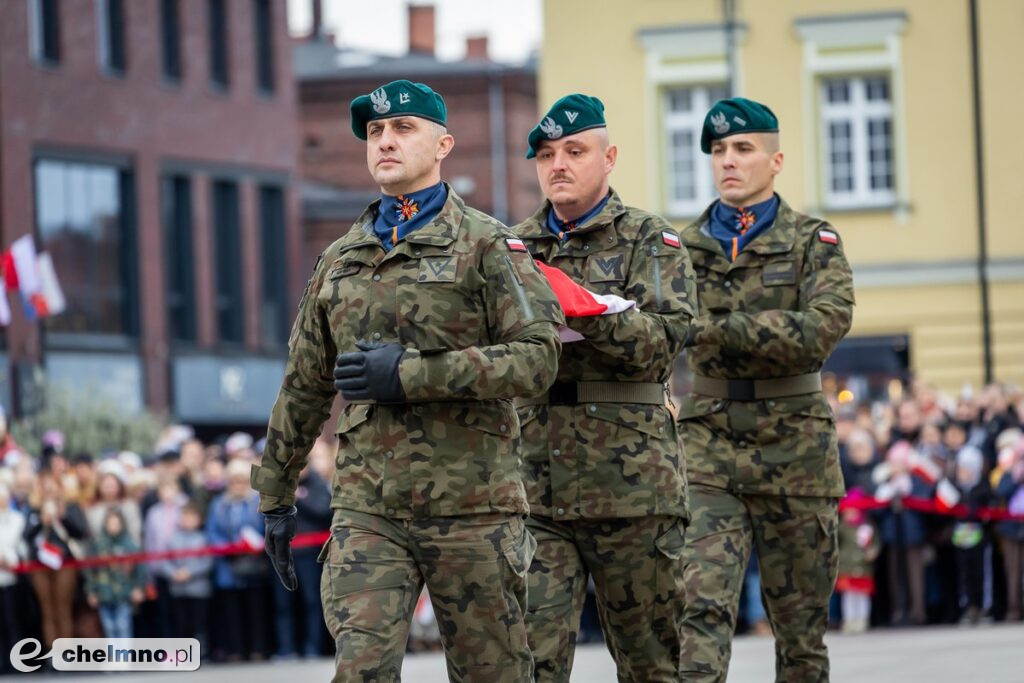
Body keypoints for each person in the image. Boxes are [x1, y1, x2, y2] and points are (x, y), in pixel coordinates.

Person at [250, 79, 563, 682]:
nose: (384, 142)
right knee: (361, 671)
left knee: (492, 673)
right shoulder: (340, 257)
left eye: (402, 129)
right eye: (374, 132)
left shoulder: (489, 245)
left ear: (443, 144)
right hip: (370, 506)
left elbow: (537, 358)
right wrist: (275, 493)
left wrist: (412, 374)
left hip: (473, 507)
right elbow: (305, 385)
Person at [511, 93, 694, 681]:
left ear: (608, 156)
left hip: (632, 488)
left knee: (650, 664)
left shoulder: (649, 240)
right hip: (534, 490)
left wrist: (585, 310)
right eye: (545, 154)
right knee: (530, 662)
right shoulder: (510, 249)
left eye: (574, 150)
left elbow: (662, 342)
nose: (557, 164)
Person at [676, 97, 855, 681]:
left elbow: (821, 329)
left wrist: (714, 330)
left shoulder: (813, 242)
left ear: (775, 160)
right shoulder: (682, 247)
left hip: (795, 448)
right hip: (708, 445)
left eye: (743, 148)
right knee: (698, 608)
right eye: (719, 150)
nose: (728, 160)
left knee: (800, 628)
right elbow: (669, 328)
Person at [84, 508, 145, 639]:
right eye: (110, 523)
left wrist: (138, 587)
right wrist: (91, 591)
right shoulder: (97, 546)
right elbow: (90, 571)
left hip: (124, 593)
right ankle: (114, 657)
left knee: (123, 627)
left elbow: (140, 569)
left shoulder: (130, 545)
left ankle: (124, 657)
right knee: (109, 628)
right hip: (103, 593)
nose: (113, 527)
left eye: (116, 523)